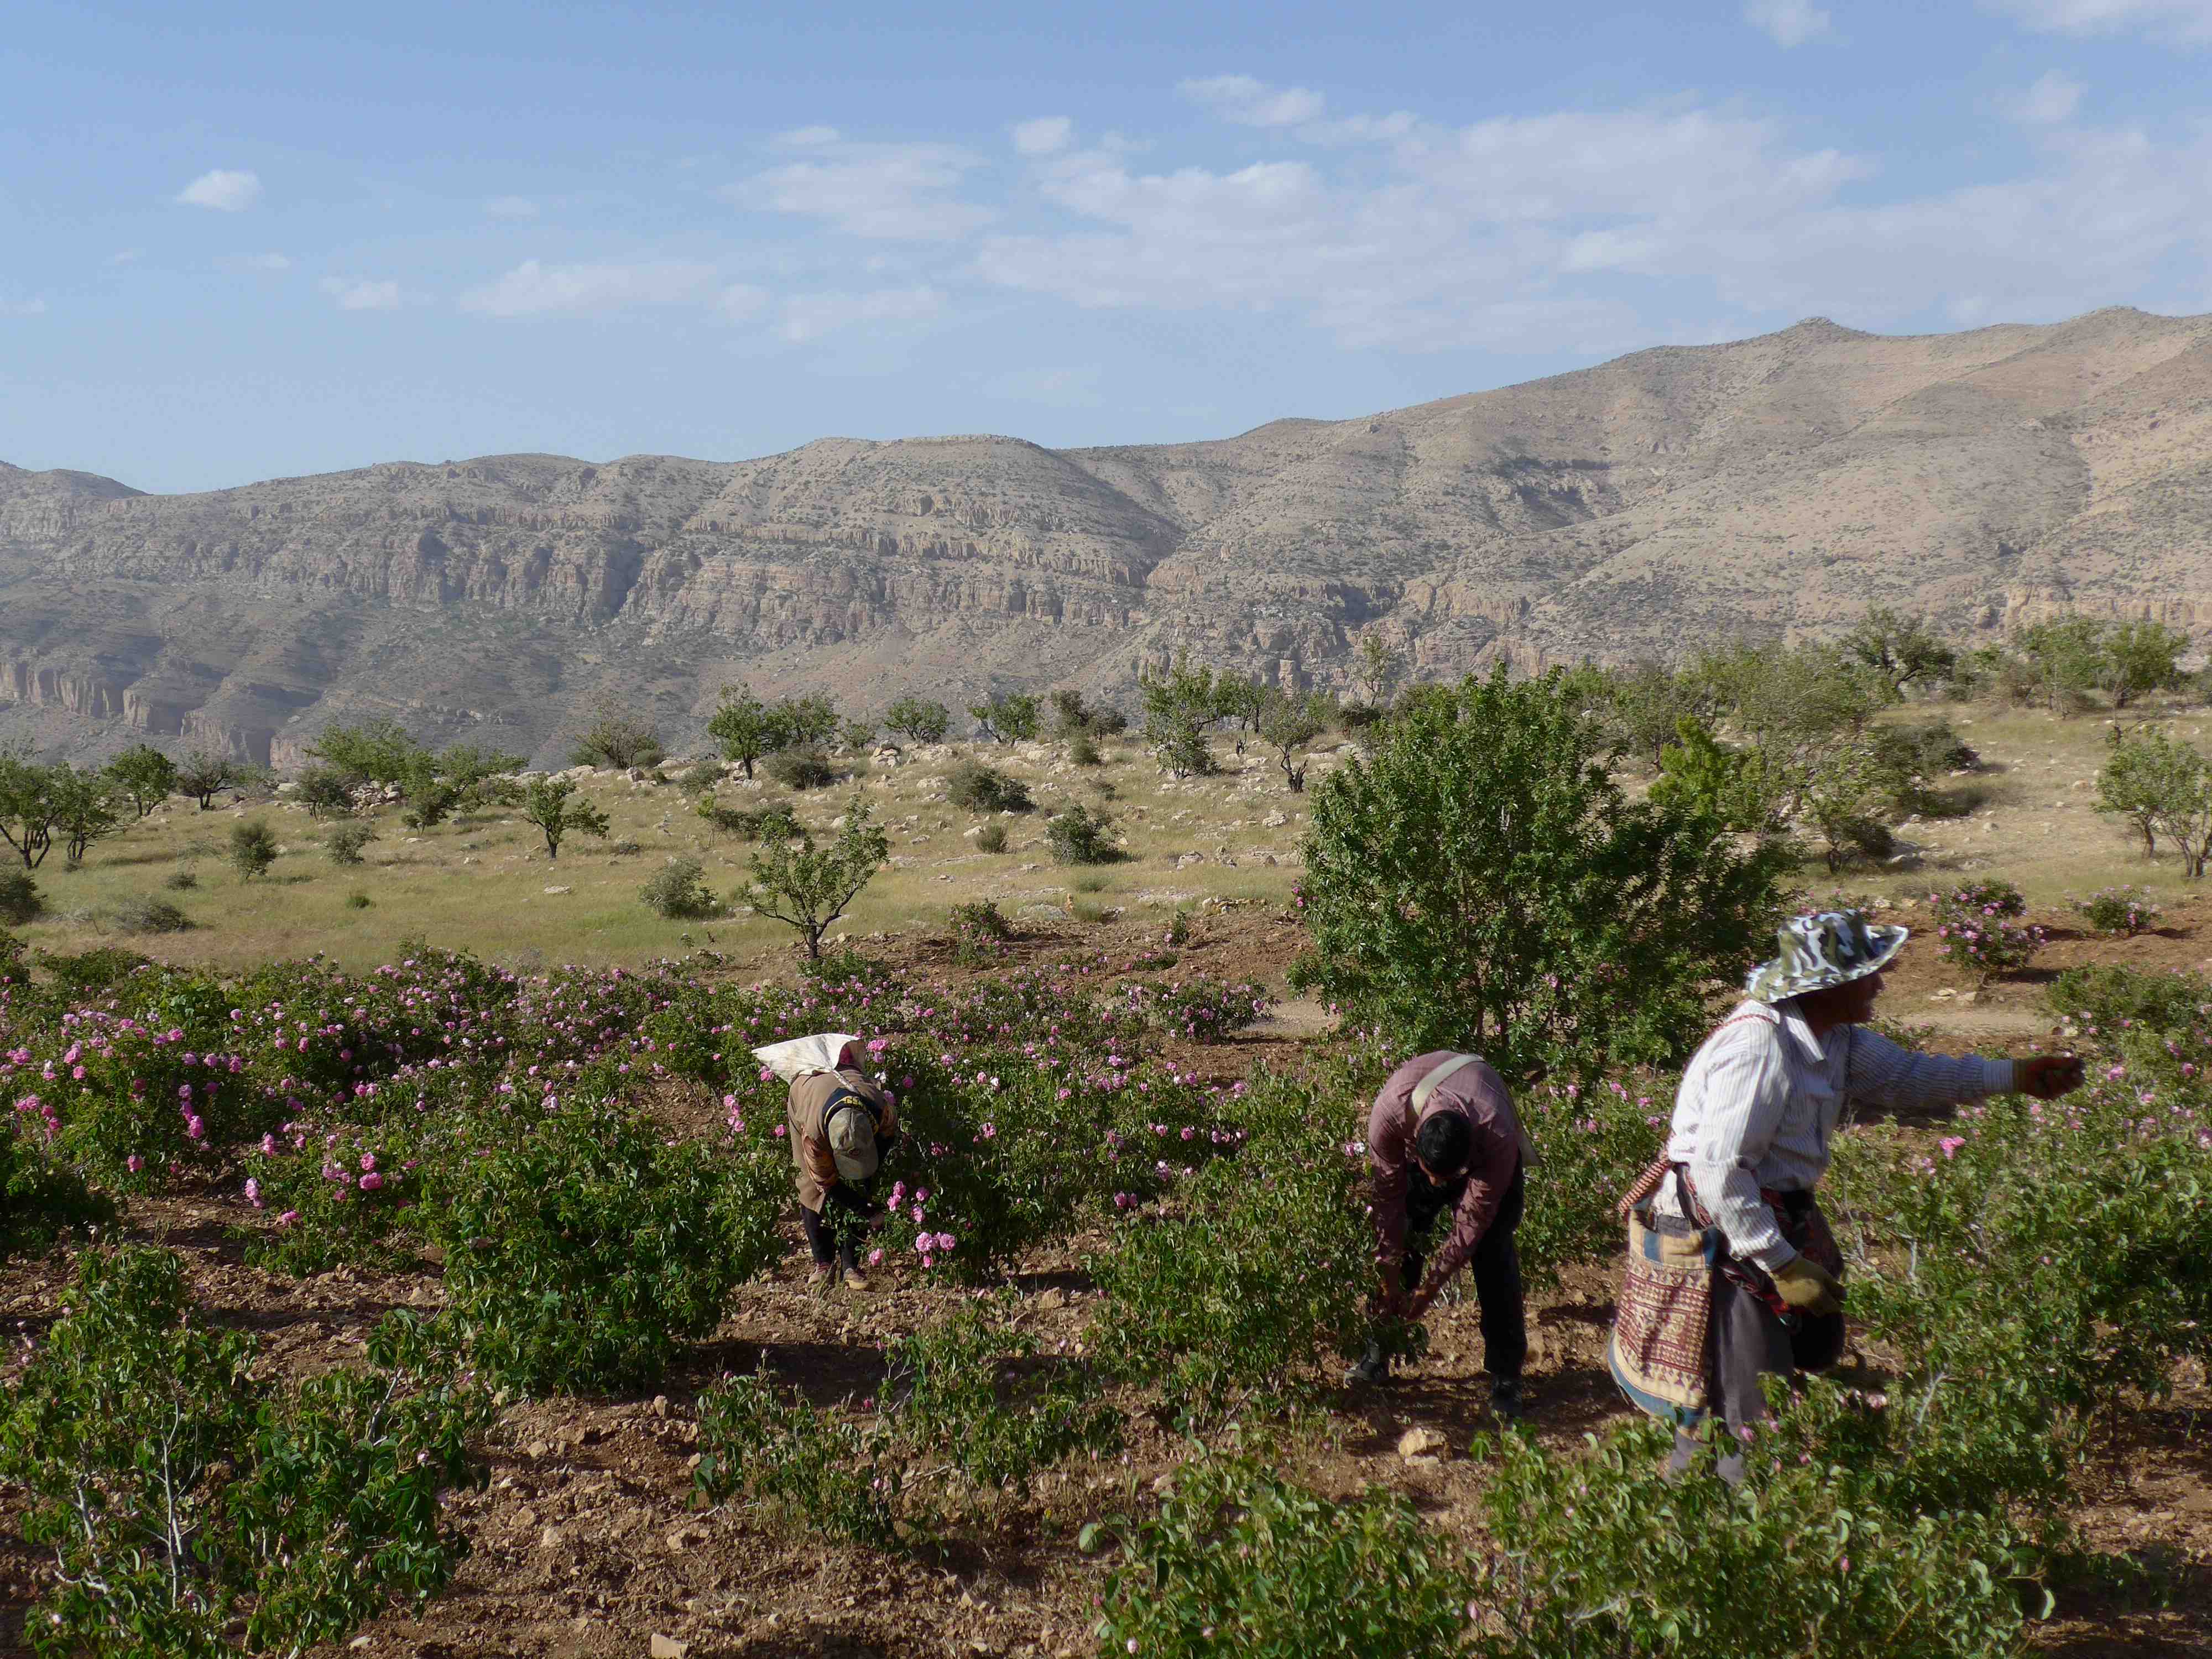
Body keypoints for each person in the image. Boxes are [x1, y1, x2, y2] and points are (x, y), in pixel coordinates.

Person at [1609, 910, 2084, 1481]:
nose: (1880, 984)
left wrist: (2013, 1075)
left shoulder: (1836, 1039)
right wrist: (1779, 1262)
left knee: (1766, 1381)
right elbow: (1718, 1170)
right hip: (1720, 1233)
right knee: (1745, 1401)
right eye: (1868, 974)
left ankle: (1723, 1512)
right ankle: (1733, 1527)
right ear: (1826, 986)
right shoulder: (1757, 1047)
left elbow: (1913, 1076)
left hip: (1767, 1216)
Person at [1348, 1050, 1536, 1420]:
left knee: (1494, 1254)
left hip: (1488, 1155)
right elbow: (1388, 1205)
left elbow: (1472, 1224)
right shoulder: (1391, 1112)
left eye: (1447, 1179)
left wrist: (1430, 1288)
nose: (1439, 1185)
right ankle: (1378, 1351)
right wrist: (1390, 1279)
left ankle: (1505, 1375)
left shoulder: (1496, 1133)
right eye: (1434, 1175)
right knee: (1407, 1230)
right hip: (1424, 1132)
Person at [784, 1040, 899, 1290]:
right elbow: (827, 1183)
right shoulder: (813, 1135)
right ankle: (823, 1264)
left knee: (861, 1183)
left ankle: (851, 1265)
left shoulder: (879, 1107)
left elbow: (889, 1135)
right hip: (806, 1096)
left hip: (847, 1091)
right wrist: (869, 1213)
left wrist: (871, 1171)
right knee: (810, 1187)